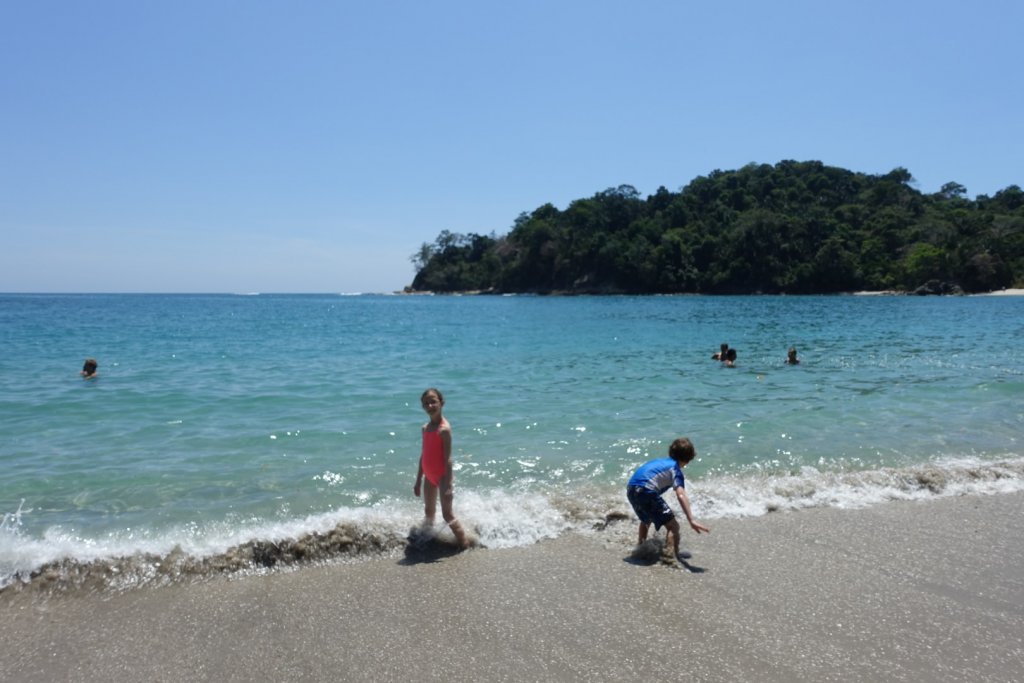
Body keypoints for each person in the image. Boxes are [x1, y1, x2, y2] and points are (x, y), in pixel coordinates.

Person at [626, 437, 710, 565]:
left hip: (631, 489)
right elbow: (680, 494)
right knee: (673, 526)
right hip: (646, 491)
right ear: (688, 460)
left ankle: (640, 548)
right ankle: (671, 556)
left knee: (646, 519)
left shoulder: (660, 462)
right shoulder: (675, 469)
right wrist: (691, 519)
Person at [413, 388, 470, 549]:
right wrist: (418, 481)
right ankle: (427, 540)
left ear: (441, 403)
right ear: (423, 407)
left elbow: (448, 458)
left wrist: (449, 484)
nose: (430, 405)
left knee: (447, 514)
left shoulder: (444, 429)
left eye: (433, 401)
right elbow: (423, 455)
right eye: (426, 403)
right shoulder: (425, 428)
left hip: (443, 476)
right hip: (428, 476)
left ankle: (464, 544)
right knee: (429, 511)